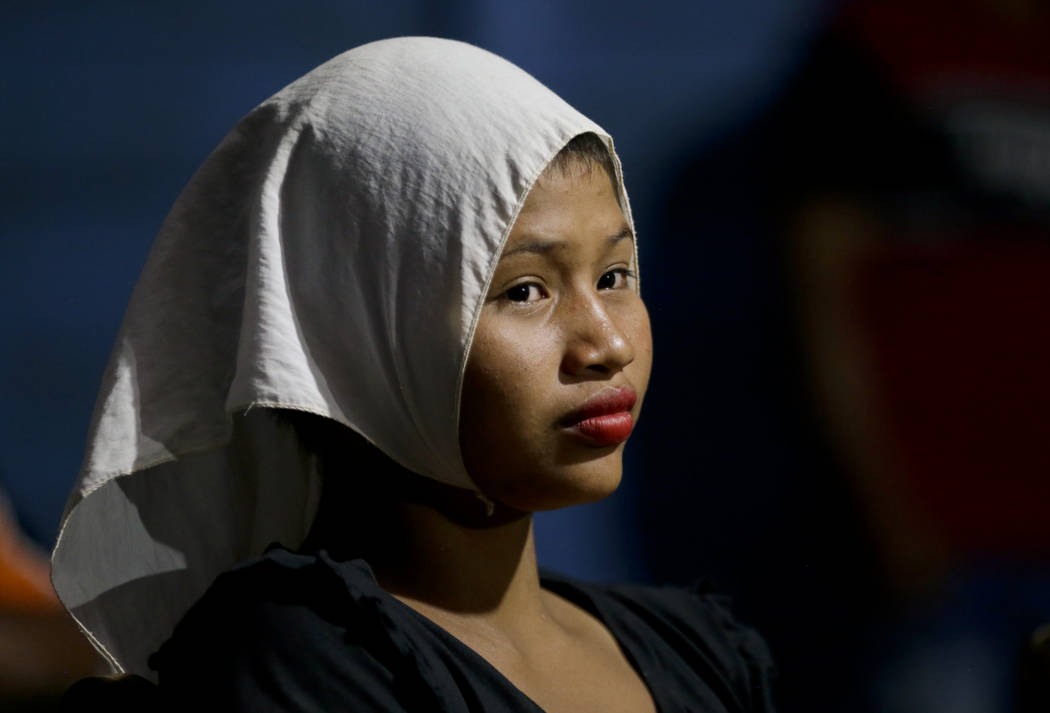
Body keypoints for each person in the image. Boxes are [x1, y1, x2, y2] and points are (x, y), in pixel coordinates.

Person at [52, 37, 775, 711]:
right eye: (526, 290)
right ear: (355, 328)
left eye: (616, 274)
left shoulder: (704, 654)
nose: (608, 342)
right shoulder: (299, 657)